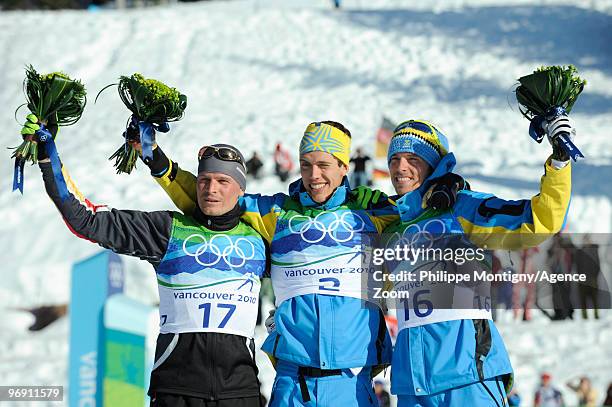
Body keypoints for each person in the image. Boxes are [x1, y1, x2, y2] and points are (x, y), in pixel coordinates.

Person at [143, 120, 466, 406]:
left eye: (324, 164)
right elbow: (216, 201)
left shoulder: (375, 211)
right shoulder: (275, 213)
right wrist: (159, 164)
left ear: (343, 166)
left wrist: (449, 184)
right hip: (292, 378)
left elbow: (423, 208)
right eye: (306, 164)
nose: (314, 176)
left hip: (352, 378)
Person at [22, 114, 267, 407]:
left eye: (222, 181)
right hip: (176, 391)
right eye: (204, 180)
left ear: (240, 189)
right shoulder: (167, 230)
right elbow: (84, 219)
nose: (211, 189)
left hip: (240, 394)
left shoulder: (260, 240)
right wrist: (48, 159)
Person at [354, 117, 572, 406]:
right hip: (412, 384)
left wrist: (558, 164)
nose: (399, 167)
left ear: (433, 165)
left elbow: (537, 222)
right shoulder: (391, 226)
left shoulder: (462, 207)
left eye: (412, 158)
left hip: (467, 376)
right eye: (394, 158)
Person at [574, 234, 601, 319]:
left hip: (592, 279)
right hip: (582, 279)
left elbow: (597, 264)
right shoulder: (579, 252)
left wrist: (595, 276)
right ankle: (584, 316)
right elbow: (577, 265)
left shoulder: (594, 250)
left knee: (595, 299)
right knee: (583, 300)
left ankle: (596, 315)